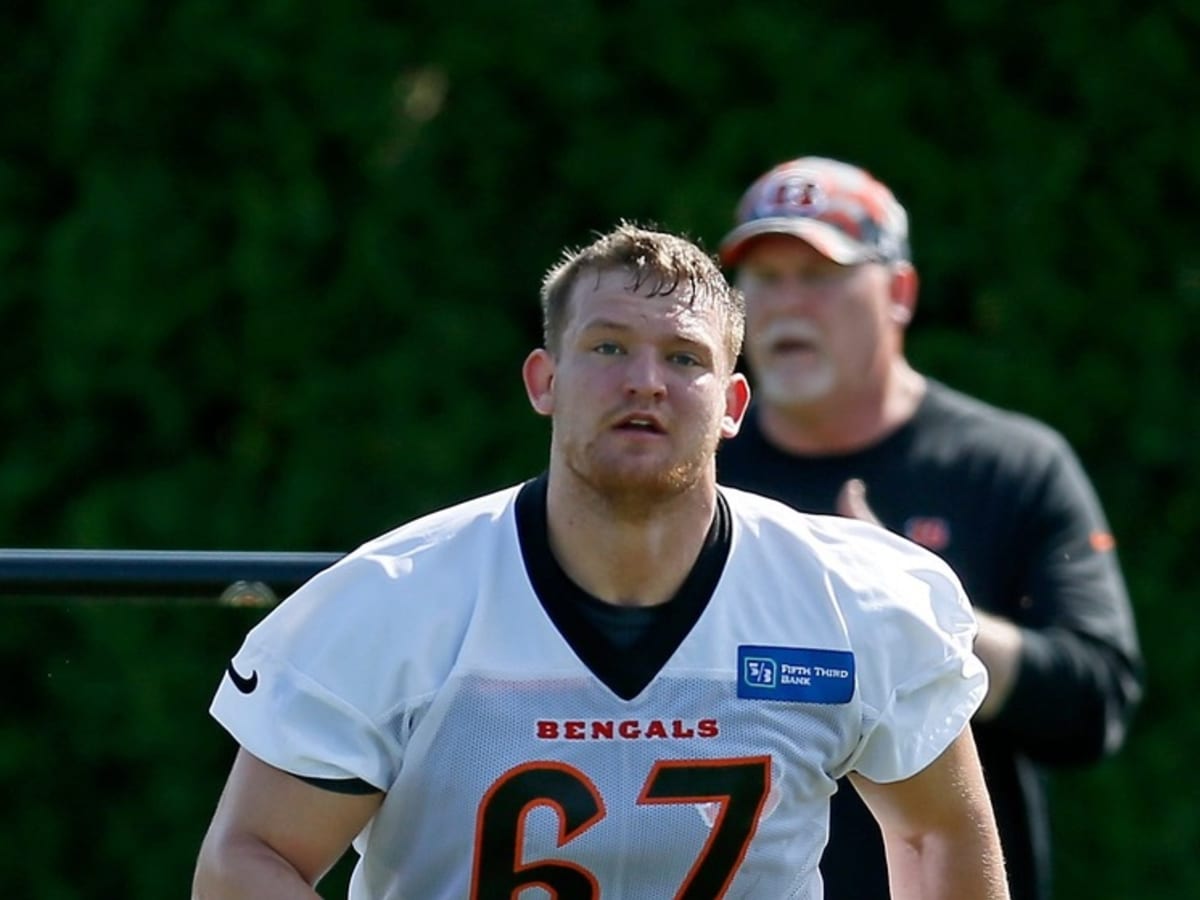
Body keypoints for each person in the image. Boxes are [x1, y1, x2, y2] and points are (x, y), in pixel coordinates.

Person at [192, 222, 1010, 899]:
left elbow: (938, 836)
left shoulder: (848, 600)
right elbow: (249, 858)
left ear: (731, 405)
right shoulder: (398, 600)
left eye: (684, 357)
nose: (645, 382)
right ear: (544, 380)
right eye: (609, 348)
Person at [715, 156, 1144, 900]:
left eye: (819, 276)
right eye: (764, 278)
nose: (786, 304)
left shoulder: (1008, 465)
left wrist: (917, 617)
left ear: (900, 293)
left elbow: (1095, 700)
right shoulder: (696, 475)